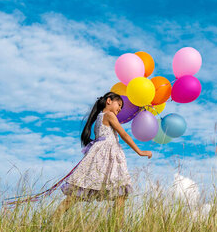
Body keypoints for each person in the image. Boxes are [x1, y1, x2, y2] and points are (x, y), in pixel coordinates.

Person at [50, 91, 152, 225]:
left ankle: (53, 220)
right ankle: (117, 228)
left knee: (110, 193)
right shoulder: (109, 115)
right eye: (119, 104)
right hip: (106, 158)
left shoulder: (100, 117)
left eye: (121, 107)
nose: (120, 109)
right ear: (109, 101)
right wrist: (140, 151)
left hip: (103, 157)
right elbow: (124, 135)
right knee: (118, 193)